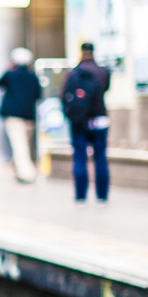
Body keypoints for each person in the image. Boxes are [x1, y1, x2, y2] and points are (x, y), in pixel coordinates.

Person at [61, 42, 111, 202]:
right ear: (93, 52)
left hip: (79, 121)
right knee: (101, 158)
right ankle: (102, 196)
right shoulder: (103, 72)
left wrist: (70, 114)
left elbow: (62, 95)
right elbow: (105, 90)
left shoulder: (72, 73)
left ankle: (81, 195)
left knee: (80, 157)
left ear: (81, 52)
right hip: (99, 119)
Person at [0, 47, 39, 184]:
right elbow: (38, 94)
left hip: (14, 117)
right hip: (29, 117)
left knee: (20, 146)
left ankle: (27, 174)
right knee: (23, 145)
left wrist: (9, 68)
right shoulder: (33, 76)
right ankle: (17, 171)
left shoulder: (11, 75)